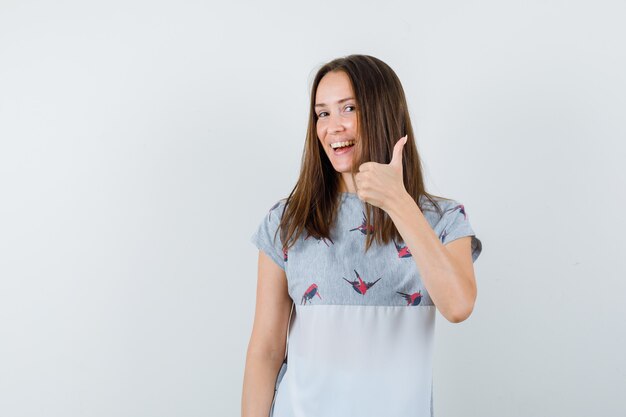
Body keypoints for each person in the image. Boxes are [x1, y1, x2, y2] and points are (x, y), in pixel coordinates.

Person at [241, 54, 483, 417]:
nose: (332, 126)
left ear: (381, 113)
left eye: (348, 108)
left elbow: (459, 305)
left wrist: (398, 201)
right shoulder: (287, 220)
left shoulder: (443, 219)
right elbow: (266, 350)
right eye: (322, 113)